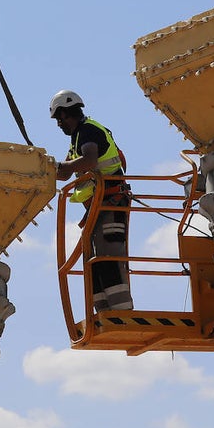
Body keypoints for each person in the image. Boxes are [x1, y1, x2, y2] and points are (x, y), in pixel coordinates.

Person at [50, 89, 133, 311]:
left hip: (110, 203)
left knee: (108, 258)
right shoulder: (78, 138)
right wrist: (43, 168)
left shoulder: (88, 130)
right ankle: (104, 312)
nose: (59, 125)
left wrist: (62, 167)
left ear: (66, 114)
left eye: (59, 119)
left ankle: (121, 313)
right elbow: (66, 171)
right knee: (95, 261)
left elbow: (88, 160)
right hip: (100, 206)